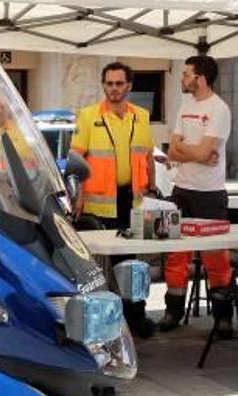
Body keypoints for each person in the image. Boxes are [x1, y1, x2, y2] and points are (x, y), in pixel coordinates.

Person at [68, 62, 157, 338]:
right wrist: (79, 197)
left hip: (135, 201)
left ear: (129, 86)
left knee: (132, 264)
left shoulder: (141, 116)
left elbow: (148, 156)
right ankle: (103, 320)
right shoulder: (88, 116)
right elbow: (76, 159)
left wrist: (152, 189)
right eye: (109, 83)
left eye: (119, 83)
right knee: (98, 265)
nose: (114, 89)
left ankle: (135, 315)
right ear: (103, 84)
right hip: (99, 203)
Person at [158, 55, 234, 337]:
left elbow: (194, 151)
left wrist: (188, 152)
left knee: (217, 257)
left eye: (186, 74)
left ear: (200, 78)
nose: (182, 78)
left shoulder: (219, 109)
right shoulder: (185, 105)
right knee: (176, 254)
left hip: (210, 194)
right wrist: (197, 154)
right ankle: (172, 310)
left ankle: (223, 316)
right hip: (182, 190)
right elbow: (172, 150)